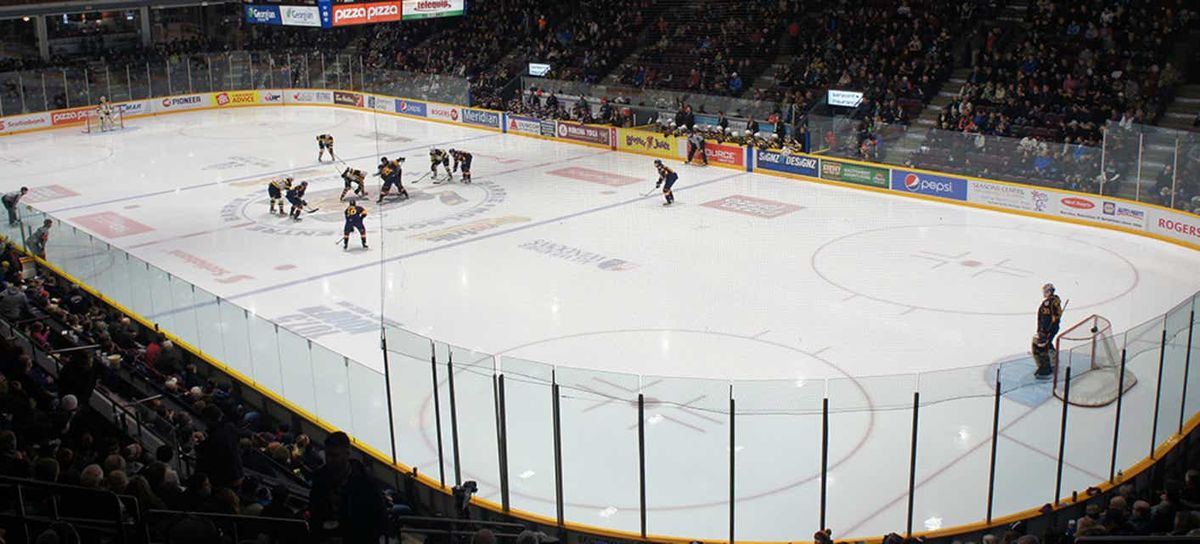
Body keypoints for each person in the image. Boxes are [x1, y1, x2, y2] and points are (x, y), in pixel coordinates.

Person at [309, 432, 385, 543]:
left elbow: (378, 519)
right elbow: (315, 512)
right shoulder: (320, 478)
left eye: (334, 455)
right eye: (327, 455)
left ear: (347, 453)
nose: (329, 460)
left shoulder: (366, 482)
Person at [1034, 283, 1063, 378]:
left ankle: (1048, 366)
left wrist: (1044, 330)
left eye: (1046, 291)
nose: (1044, 293)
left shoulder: (1049, 303)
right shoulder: (1054, 300)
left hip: (1049, 328)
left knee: (1045, 345)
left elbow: (1047, 319)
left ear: (1050, 292)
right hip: (1050, 328)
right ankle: (1054, 360)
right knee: (1048, 344)